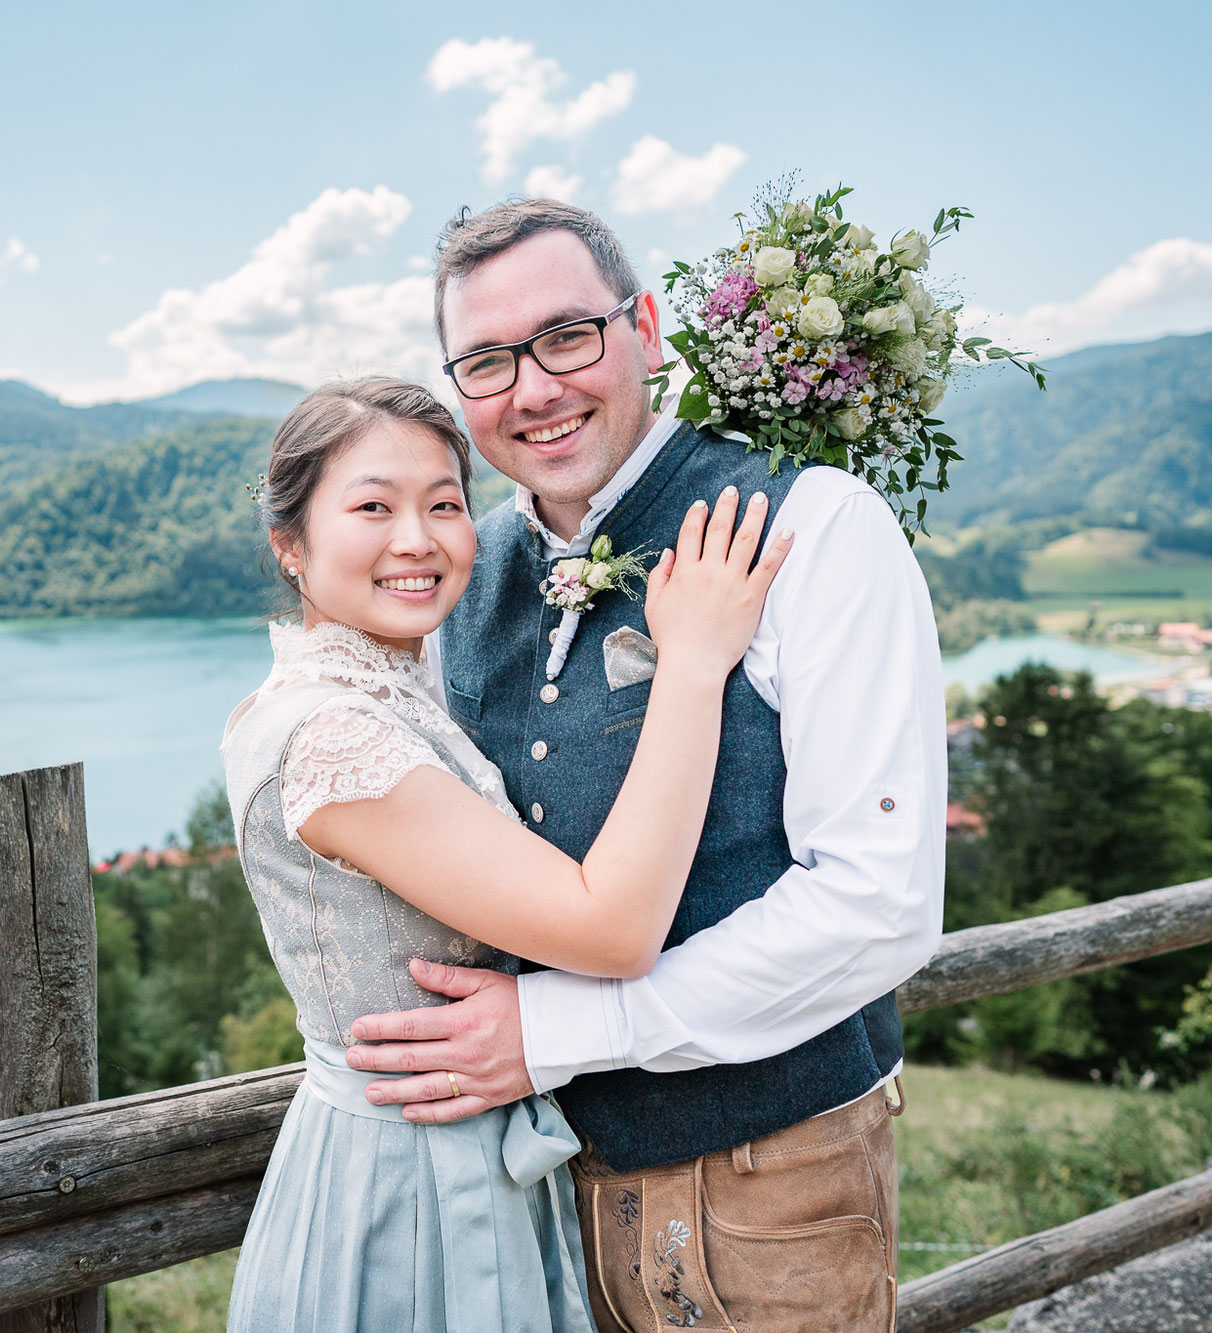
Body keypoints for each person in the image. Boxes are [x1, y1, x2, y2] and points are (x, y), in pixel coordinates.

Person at [343, 198, 947, 1331]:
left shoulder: (812, 524)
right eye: (483, 362)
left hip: (770, 1191)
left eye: (566, 336)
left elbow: (881, 901)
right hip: (528, 1200)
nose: (531, 389)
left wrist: (554, 1033)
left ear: (648, 329)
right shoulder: (460, 580)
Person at [220, 374, 792, 1331]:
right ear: (291, 545)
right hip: (405, 1191)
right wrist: (691, 664)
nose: (418, 538)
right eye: (372, 506)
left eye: (445, 503)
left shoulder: (389, 696)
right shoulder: (330, 738)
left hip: (464, 1153)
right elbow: (610, 929)